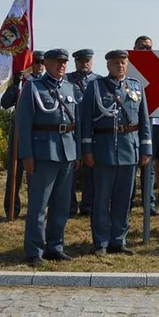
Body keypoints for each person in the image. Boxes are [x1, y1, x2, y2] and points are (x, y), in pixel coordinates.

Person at [80, 50, 151, 255]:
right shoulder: (96, 86)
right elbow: (86, 121)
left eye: (123, 62)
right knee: (101, 199)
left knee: (124, 199)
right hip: (104, 148)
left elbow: (144, 119)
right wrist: (87, 150)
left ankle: (118, 240)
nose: (120, 66)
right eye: (116, 63)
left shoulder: (136, 86)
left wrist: (146, 148)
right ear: (108, 65)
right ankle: (101, 242)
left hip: (129, 148)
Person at [17, 49, 81, 266]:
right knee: (38, 205)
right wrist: (26, 154)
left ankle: (55, 246)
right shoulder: (33, 87)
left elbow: (77, 124)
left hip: (67, 151)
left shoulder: (70, 87)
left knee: (62, 205)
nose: (62, 65)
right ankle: (34, 250)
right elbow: (24, 124)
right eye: (57, 62)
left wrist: (77, 152)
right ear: (48, 63)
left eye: (64, 62)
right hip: (43, 152)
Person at [1, 49, 44, 219]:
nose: (39, 66)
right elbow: (5, 104)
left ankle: (35, 209)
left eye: (42, 62)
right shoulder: (21, 81)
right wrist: (15, 85)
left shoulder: (48, 83)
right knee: (15, 171)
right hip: (20, 129)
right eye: (35, 62)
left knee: (37, 172)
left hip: (40, 131)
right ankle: (12, 208)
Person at [66, 49, 99, 217]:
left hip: (93, 131)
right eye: (81, 61)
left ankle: (88, 206)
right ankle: (70, 206)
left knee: (91, 170)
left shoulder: (99, 81)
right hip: (73, 130)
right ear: (75, 62)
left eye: (88, 60)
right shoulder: (67, 80)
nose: (84, 64)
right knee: (71, 169)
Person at [131, 35, 159, 217]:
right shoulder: (127, 67)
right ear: (134, 47)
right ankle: (128, 201)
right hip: (132, 127)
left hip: (154, 124)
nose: (145, 50)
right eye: (141, 47)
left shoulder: (158, 68)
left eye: (148, 47)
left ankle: (148, 203)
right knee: (131, 166)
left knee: (148, 166)